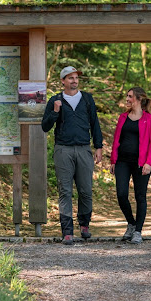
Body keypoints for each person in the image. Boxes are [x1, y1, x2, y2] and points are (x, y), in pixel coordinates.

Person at [41, 66, 103, 245]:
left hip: (84, 149)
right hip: (63, 150)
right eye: (70, 78)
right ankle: (67, 231)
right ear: (62, 81)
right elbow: (45, 127)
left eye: (76, 78)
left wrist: (98, 147)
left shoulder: (87, 99)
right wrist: (55, 112)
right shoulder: (56, 100)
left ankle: (84, 225)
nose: (74, 81)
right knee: (65, 191)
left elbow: (95, 125)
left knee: (85, 190)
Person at [110, 87, 151, 244]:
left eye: (130, 97)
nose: (127, 99)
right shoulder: (123, 117)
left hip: (141, 163)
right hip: (123, 162)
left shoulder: (149, 119)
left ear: (138, 99)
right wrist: (113, 161)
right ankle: (131, 223)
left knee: (140, 196)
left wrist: (149, 163)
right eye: (127, 96)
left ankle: (137, 231)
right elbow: (116, 140)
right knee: (121, 194)